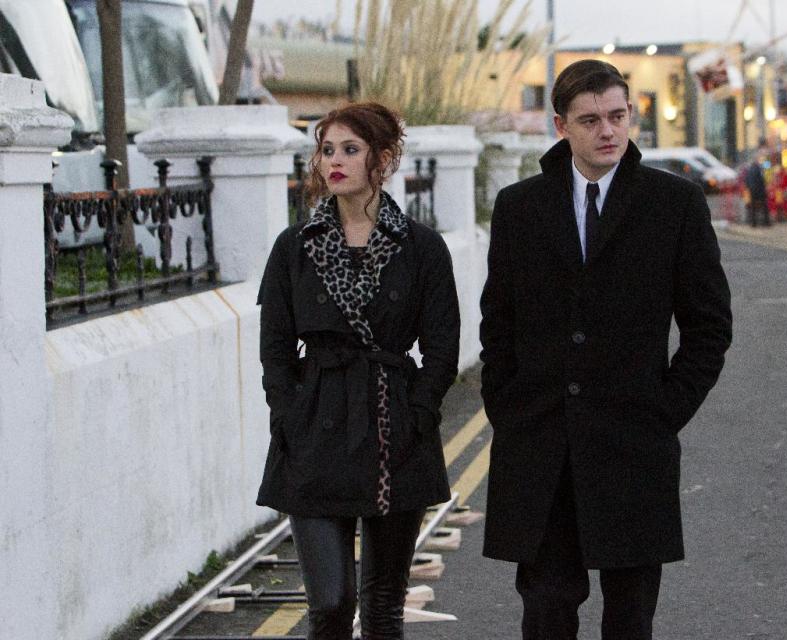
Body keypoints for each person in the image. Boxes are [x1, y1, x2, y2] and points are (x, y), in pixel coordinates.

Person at [479, 60, 733, 640]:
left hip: (633, 442)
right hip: (541, 444)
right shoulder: (520, 208)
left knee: (630, 617)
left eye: (617, 116)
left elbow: (710, 327)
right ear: (562, 125)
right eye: (590, 119)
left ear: (631, 117)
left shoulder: (675, 205)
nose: (607, 131)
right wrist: (506, 406)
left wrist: (664, 410)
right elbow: (500, 322)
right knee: (544, 609)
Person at [256, 102, 460, 640]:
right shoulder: (294, 247)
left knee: (383, 607)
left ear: (384, 160)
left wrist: (418, 414)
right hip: (316, 423)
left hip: (394, 424)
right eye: (327, 150)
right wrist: (290, 413)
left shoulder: (421, 248)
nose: (335, 162)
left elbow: (442, 348)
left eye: (351, 149)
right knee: (330, 601)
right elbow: (274, 349)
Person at [744, 152, 770, 227]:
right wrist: (763, 188)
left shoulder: (749, 170)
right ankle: (766, 222)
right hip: (759, 191)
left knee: (753, 208)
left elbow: (747, 181)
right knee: (764, 206)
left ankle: (753, 223)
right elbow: (761, 180)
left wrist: (750, 188)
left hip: (752, 191)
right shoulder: (759, 169)